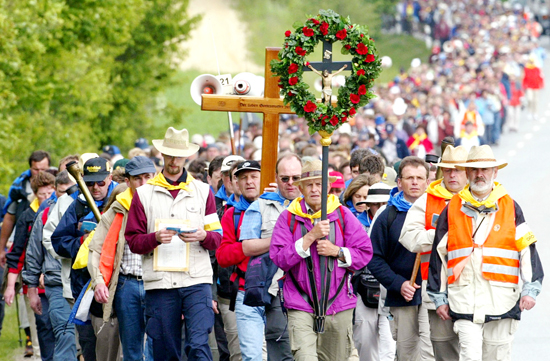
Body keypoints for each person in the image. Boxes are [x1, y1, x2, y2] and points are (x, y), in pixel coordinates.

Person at [427, 145, 544, 360]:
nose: (480, 175)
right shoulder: (452, 208)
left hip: (502, 302)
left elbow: (528, 251)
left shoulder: (511, 207)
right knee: (469, 357)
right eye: (474, 170)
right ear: (467, 173)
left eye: (486, 169)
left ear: (495, 172)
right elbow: (439, 257)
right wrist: (439, 297)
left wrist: (530, 289)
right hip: (463, 301)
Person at [125, 127, 222, 361]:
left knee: (198, 345)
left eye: (179, 155)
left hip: (196, 279)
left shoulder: (202, 191)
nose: (174, 160)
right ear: (161, 155)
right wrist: (155, 238)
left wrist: (202, 236)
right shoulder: (143, 194)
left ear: (186, 156)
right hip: (160, 283)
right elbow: (133, 241)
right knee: (165, 350)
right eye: (169, 155)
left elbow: (217, 237)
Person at [270, 159, 373, 360]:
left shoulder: (342, 215)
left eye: (319, 184)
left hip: (338, 302)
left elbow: (365, 253)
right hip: (300, 302)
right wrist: (309, 237)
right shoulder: (288, 217)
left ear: (327, 187)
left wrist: (337, 251)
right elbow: (279, 258)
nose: (315, 189)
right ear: (301, 188)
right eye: (309, 185)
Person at [399, 146, 469, 361]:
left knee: (473, 351)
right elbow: (408, 237)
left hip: (475, 290)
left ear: (468, 172)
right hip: (438, 290)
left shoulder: (481, 199)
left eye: (458, 170)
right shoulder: (427, 200)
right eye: (448, 170)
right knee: (443, 350)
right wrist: (444, 236)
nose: (452, 175)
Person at [88, 156, 156, 361]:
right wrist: (98, 281)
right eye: (138, 178)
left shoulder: (164, 206)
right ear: (128, 181)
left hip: (158, 283)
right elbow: (95, 248)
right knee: (132, 349)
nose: (144, 183)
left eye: (148, 177)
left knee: (157, 346)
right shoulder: (118, 209)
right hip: (128, 285)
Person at [51, 156, 120, 361]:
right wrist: (84, 241)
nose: (95, 187)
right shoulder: (77, 206)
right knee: (89, 344)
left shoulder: (122, 200)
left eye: (101, 182)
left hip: (117, 284)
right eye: (90, 183)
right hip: (85, 286)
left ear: (109, 178)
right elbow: (59, 241)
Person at [368, 156, 434, 361]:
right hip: (403, 295)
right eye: (409, 178)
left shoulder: (438, 213)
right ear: (399, 182)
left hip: (432, 293)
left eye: (419, 178)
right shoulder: (387, 216)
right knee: (407, 352)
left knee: (430, 350)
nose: (415, 182)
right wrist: (398, 284)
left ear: (427, 182)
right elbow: (374, 258)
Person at [239, 153, 302, 361]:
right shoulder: (260, 206)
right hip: (275, 288)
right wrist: (282, 243)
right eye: (285, 178)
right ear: (276, 178)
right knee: (280, 347)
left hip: (309, 289)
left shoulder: (314, 206)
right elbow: (247, 246)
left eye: (296, 177)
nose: (291, 183)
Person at [24, 170, 78, 361]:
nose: (68, 197)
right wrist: (31, 290)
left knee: (87, 343)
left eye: (72, 191)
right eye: (63, 192)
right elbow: (33, 253)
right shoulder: (46, 214)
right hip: (56, 285)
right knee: (65, 338)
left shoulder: (88, 208)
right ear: (56, 192)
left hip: (85, 283)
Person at [4, 171, 56, 359]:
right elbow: (17, 254)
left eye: (50, 193)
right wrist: (11, 286)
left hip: (57, 281)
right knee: (39, 331)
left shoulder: (63, 211)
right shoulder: (27, 216)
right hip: (33, 283)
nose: (46, 198)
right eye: (42, 194)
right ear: (35, 194)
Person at [216, 160, 263, 361]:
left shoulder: (281, 209)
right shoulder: (231, 215)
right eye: (244, 178)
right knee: (250, 356)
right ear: (237, 182)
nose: (249, 182)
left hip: (278, 292)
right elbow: (223, 257)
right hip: (245, 290)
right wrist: (247, 247)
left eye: (254, 177)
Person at [0, 150, 51, 267]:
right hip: (21, 239)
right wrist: (1, 248)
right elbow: (9, 217)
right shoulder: (19, 187)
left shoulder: (57, 182)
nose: (39, 173)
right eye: (35, 169)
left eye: (43, 169)